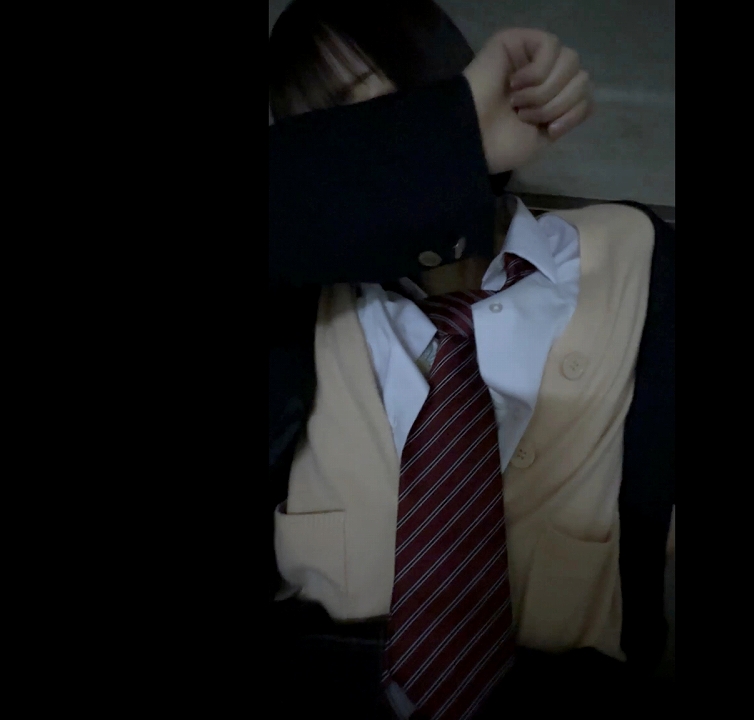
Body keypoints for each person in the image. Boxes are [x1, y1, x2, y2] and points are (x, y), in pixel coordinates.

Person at [267, 2, 675, 717]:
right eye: (322, 138)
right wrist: (449, 140)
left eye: (369, 108)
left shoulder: (636, 254)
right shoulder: (297, 300)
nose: (362, 152)